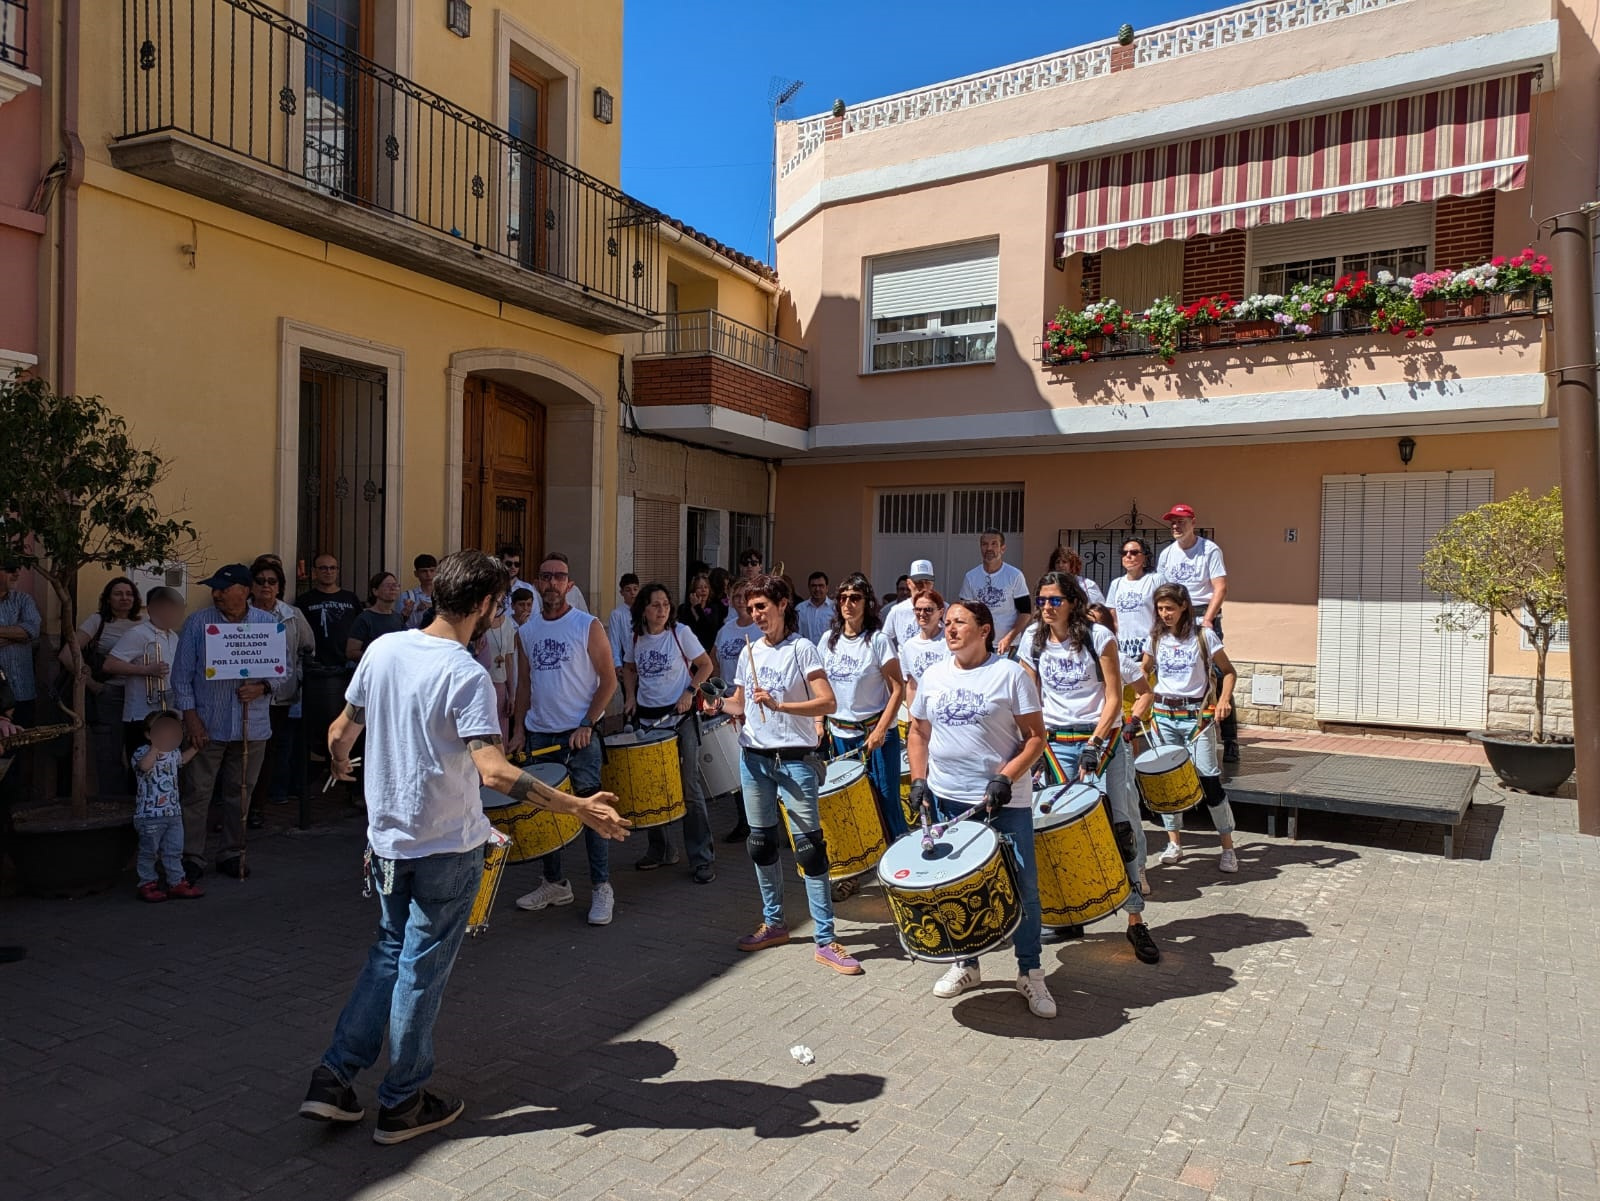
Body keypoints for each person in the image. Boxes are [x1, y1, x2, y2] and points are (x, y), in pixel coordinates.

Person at [299, 549, 629, 1144]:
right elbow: (495, 772)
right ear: (483, 604)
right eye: (499, 603)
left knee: (387, 954)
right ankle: (401, 1101)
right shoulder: (466, 673)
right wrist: (577, 806)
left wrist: (342, 760)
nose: (501, 611)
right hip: (446, 847)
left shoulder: (383, 650)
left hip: (387, 844)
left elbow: (341, 729)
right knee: (419, 971)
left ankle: (334, 1077)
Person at [704, 575, 860, 975]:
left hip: (794, 760)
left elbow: (828, 701)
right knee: (760, 844)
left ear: (783, 605)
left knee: (809, 848)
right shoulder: (748, 651)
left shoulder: (802, 649)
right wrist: (717, 705)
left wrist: (781, 706)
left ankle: (826, 939)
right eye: (750, 607)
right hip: (754, 758)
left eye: (762, 607)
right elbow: (741, 705)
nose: (756, 615)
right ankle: (774, 924)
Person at [906, 600, 1051, 1017]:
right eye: (947, 622)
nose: (949, 629)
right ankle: (967, 965)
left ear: (985, 629)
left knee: (1023, 887)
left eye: (959, 623)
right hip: (949, 801)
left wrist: (1006, 776)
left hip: (1003, 802)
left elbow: (1036, 738)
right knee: (956, 888)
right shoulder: (933, 675)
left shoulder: (1010, 675)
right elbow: (918, 732)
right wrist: (919, 779)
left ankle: (1030, 972)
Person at [1018, 574, 1158, 964]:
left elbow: (1115, 698)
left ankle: (1135, 920)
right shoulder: (1032, 640)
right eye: (1041, 599)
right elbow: (1030, 698)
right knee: (1059, 828)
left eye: (1055, 600)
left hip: (1103, 740)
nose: (1046, 607)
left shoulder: (1098, 638)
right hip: (1056, 743)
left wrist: (1095, 743)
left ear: (1073, 602)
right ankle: (1069, 911)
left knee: (1121, 826)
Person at [510, 553, 619, 925]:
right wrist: (518, 730)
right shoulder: (525, 632)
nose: (553, 582)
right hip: (540, 732)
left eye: (560, 576)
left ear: (570, 584)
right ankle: (555, 882)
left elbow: (609, 680)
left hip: (580, 734)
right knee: (545, 809)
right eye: (546, 576)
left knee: (591, 809)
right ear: (537, 583)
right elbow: (524, 685)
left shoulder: (587, 625)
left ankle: (602, 887)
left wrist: (588, 723)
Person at [171, 564, 280, 880]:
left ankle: (233, 852)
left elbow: (284, 675)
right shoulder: (197, 623)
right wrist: (191, 720)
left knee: (241, 791)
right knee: (196, 792)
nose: (216, 594)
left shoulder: (267, 624)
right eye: (214, 588)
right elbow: (181, 678)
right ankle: (191, 856)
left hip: (252, 726)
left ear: (244, 591)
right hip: (207, 723)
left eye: (223, 588)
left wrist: (261, 688)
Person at [1135, 582, 1240, 873]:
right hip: (1163, 715)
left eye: (1170, 607)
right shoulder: (1155, 637)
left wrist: (1223, 701)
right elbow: (1144, 669)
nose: (1165, 613)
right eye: (1160, 608)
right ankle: (1175, 843)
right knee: (1167, 781)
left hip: (1196, 717)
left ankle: (1228, 847)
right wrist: (1138, 685)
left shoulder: (1203, 636)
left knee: (1208, 778)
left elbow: (1229, 672)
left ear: (1184, 607)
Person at [620, 583, 716, 883]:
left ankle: (701, 857)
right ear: (643, 610)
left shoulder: (681, 633)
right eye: (654, 605)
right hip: (647, 720)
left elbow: (705, 665)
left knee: (689, 787)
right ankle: (661, 849)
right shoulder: (635, 636)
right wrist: (630, 697)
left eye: (665, 604)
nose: (661, 610)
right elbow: (629, 668)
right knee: (652, 786)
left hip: (681, 718)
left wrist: (690, 691)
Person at [817, 573, 906, 842]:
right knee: (853, 803)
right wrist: (819, 723)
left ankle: (897, 859)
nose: (848, 604)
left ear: (867, 603)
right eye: (843, 598)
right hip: (841, 735)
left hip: (875, 735)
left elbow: (898, 689)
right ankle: (861, 865)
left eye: (855, 598)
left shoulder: (877, 641)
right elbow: (820, 688)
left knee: (886, 798)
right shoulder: (827, 641)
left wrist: (880, 730)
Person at [1156, 504, 1237, 763]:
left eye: (1181, 521)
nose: (1176, 526)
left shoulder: (1209, 549)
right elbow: (1161, 591)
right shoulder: (1167, 554)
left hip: (1202, 613)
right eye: (1173, 522)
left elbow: (1220, 587)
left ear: (1193, 522)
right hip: (1175, 615)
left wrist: (1209, 620)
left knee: (1217, 673)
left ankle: (1230, 738)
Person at [243, 557, 314, 815]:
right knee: (244, 753)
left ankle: (259, 807)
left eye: (272, 582)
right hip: (245, 694)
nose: (266, 586)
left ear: (279, 586)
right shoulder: (240, 612)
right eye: (260, 581)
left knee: (272, 751)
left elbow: (307, 648)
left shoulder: (292, 615)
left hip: (280, 694)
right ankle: (242, 806)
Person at [62, 576, 141, 793]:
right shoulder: (97, 621)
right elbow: (67, 655)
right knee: (109, 756)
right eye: (118, 593)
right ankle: (113, 806)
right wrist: (93, 685)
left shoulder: (144, 623)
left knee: (141, 753)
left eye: (129, 593)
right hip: (111, 695)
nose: (125, 598)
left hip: (141, 697)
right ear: (107, 599)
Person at [104, 586, 187, 773]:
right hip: (141, 715)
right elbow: (109, 665)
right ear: (151, 609)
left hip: (168, 712)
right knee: (141, 769)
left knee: (165, 769)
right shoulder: (138, 634)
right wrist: (145, 670)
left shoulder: (174, 636)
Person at [131, 710, 204, 902]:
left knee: (174, 849)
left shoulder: (173, 754)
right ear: (149, 734)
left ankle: (176, 881)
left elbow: (182, 760)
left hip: (173, 812)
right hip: (149, 815)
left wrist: (196, 748)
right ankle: (147, 882)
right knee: (149, 852)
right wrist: (156, 746)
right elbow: (144, 767)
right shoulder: (141, 752)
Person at [711, 579, 758, 844]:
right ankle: (744, 819)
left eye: (744, 596)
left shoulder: (759, 630)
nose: (740, 601)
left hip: (752, 704)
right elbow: (715, 661)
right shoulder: (726, 630)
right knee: (735, 765)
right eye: (735, 596)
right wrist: (716, 693)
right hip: (728, 701)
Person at [1105, 538, 1162, 714]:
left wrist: (1153, 643)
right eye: (1125, 553)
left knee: (1148, 698)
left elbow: (1163, 612)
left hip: (1149, 649)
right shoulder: (1117, 584)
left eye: (1134, 552)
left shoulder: (1155, 580)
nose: (1129, 556)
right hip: (1124, 650)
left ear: (1144, 557)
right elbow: (1112, 616)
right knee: (1128, 703)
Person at [960, 529, 1031, 655]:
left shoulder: (1014, 576)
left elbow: (1025, 613)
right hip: (980, 645)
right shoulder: (971, 577)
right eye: (985, 544)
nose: (989, 548)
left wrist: (1009, 638)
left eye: (994, 544)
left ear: (1002, 548)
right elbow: (965, 613)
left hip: (1008, 647)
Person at [296, 554, 364, 667]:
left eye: (332, 568)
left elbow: (361, 629)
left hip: (348, 664)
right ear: (314, 571)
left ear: (337, 571)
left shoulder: (351, 598)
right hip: (316, 666)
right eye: (323, 568)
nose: (328, 571)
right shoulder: (304, 600)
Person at [0, 562, 40, 727]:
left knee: (24, 743)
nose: (16, 574)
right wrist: (17, 635)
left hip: (22, 690)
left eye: (18, 569)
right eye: (10, 569)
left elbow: (31, 630)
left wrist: (24, 634)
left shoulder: (23, 599)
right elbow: (24, 634)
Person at [897, 589, 950, 708]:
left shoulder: (950, 641)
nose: (922, 614)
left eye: (928, 609)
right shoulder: (909, 646)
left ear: (941, 612)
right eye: (918, 609)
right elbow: (912, 686)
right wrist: (912, 720)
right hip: (921, 715)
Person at [346, 573, 405, 663]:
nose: (393, 588)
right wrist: (378, 656)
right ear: (375, 591)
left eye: (395, 585)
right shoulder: (364, 618)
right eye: (388, 585)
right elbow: (351, 652)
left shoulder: (398, 617)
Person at [480, 607, 517, 740]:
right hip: (482, 686)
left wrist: (512, 695)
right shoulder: (478, 623)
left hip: (500, 685)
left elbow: (509, 661)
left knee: (500, 734)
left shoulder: (507, 624)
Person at [882, 561, 936, 652]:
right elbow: (884, 640)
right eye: (918, 582)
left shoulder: (943, 609)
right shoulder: (898, 611)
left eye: (927, 582)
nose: (923, 587)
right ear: (909, 583)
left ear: (932, 584)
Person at [606, 574, 642, 671]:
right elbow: (614, 641)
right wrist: (617, 664)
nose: (632, 593)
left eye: (635, 589)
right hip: (627, 662)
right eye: (628, 590)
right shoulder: (617, 614)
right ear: (621, 592)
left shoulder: (645, 611)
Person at [679, 572, 720, 650]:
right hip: (689, 649)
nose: (703, 590)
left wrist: (698, 608)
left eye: (706, 587)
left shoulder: (713, 608)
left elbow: (709, 629)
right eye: (699, 588)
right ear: (693, 591)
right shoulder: (684, 609)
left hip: (707, 649)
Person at [399, 554, 437, 630]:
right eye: (424, 571)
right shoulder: (407, 596)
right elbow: (399, 624)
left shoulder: (444, 594)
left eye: (432, 570)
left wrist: (431, 606)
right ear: (416, 574)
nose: (428, 574)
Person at [796, 572, 835, 645]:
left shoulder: (835, 609)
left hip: (828, 653)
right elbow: (796, 634)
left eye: (821, 586)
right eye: (814, 586)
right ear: (809, 588)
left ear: (827, 588)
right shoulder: (800, 609)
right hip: (806, 653)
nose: (817, 589)